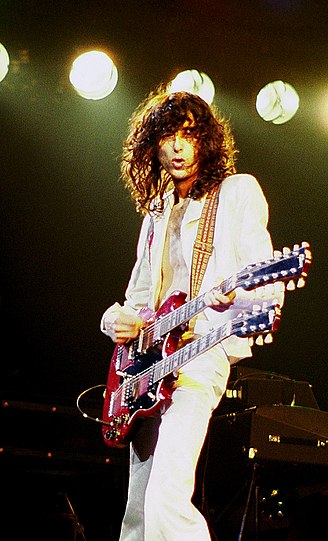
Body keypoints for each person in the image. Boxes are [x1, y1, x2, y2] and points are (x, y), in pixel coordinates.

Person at [100, 86, 283, 540]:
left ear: (207, 140)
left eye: (189, 134)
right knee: (138, 516)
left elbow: (268, 288)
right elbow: (141, 294)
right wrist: (114, 319)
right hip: (146, 367)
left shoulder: (238, 192)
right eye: (167, 136)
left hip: (201, 355)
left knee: (166, 500)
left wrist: (234, 300)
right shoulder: (159, 208)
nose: (178, 146)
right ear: (152, 146)